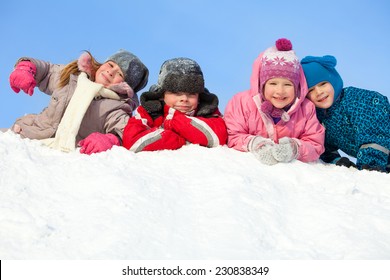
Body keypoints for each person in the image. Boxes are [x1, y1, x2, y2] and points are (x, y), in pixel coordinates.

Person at [7, 49, 149, 154]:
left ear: (126, 86)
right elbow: (47, 72)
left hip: (62, 156)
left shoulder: (116, 107)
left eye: (119, 74)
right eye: (111, 65)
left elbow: (123, 133)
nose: (111, 72)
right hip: (24, 136)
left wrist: (110, 140)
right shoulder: (73, 77)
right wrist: (26, 68)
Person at [224, 38, 325, 165]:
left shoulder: (306, 109)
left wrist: (295, 148)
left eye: (287, 85)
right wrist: (255, 143)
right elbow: (232, 135)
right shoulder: (241, 103)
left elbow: (315, 143)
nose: (280, 91)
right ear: (262, 85)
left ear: (297, 87)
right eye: (273, 83)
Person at [301, 55, 390, 172]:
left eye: (323, 84)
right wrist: (336, 161)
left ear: (333, 80)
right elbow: (321, 145)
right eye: (310, 90)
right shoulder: (318, 116)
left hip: (379, 158)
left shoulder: (359, 100)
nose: (319, 92)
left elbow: (374, 135)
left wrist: (370, 166)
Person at [122, 57, 227, 152]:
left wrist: (175, 121)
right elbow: (132, 142)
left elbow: (219, 137)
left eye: (191, 94)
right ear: (162, 94)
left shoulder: (208, 110)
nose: (184, 99)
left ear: (199, 96)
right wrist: (181, 139)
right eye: (176, 93)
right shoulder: (150, 110)